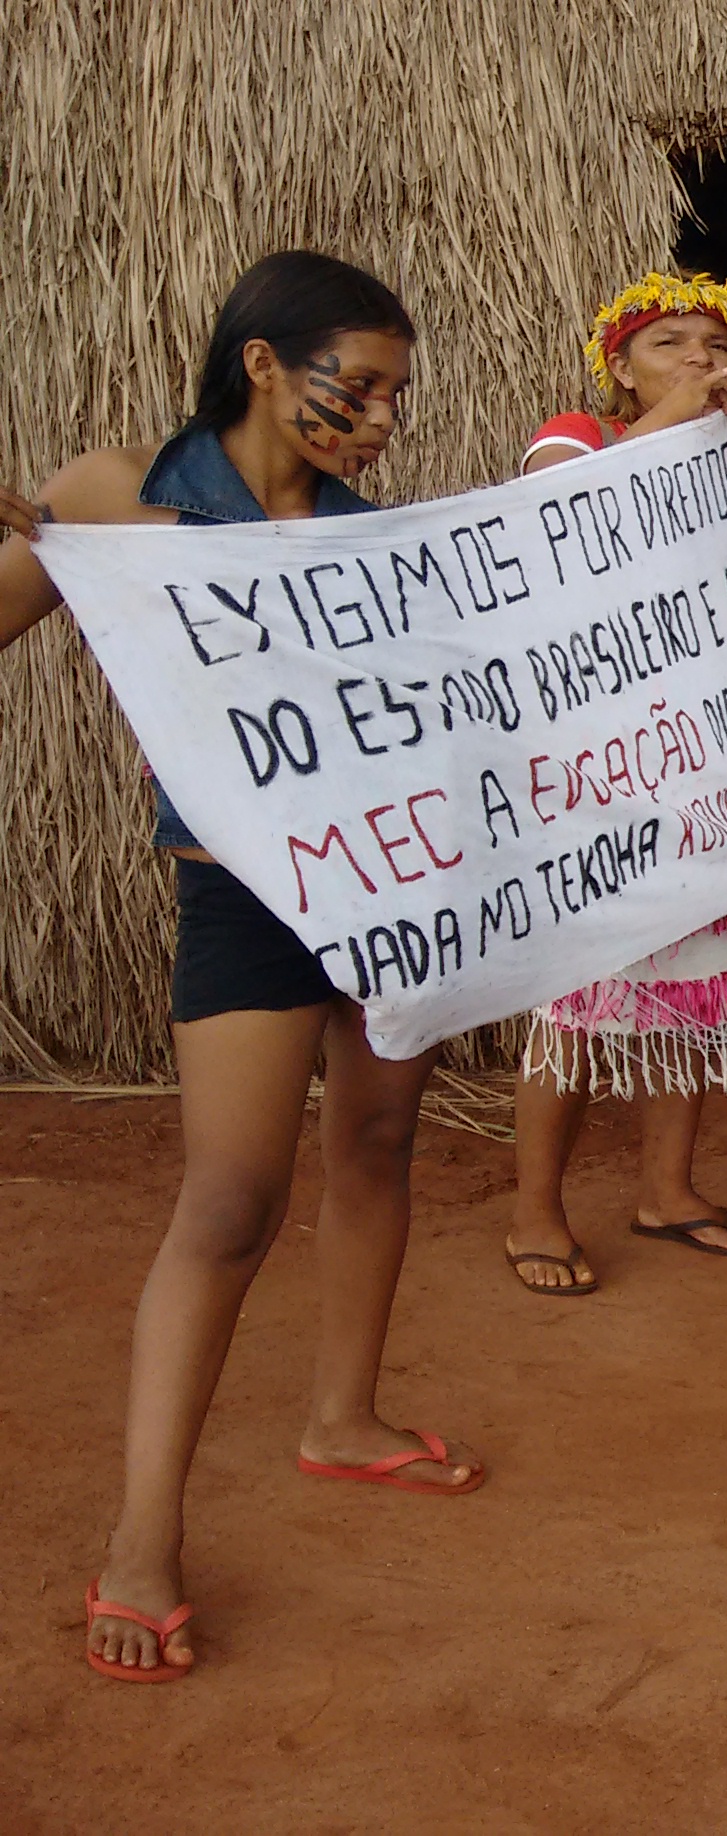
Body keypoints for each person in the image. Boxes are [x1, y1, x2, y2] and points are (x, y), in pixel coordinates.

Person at [0, 252, 481, 1683]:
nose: (384, 417)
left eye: (397, 392)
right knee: (228, 1200)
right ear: (264, 363)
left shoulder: (360, 536)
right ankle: (143, 1542)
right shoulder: (121, 492)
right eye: (365, 384)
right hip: (244, 896)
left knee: (383, 1140)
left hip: (399, 888)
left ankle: (345, 1418)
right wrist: (70, 532)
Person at [504, 272, 727, 1294]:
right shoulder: (574, 440)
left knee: (699, 1000)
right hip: (598, 787)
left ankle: (668, 1190)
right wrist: (674, 419)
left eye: (720, 352)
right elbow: (558, 522)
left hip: (715, 785)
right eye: (672, 345)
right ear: (618, 367)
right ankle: (535, 1208)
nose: (703, 365)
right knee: (575, 999)